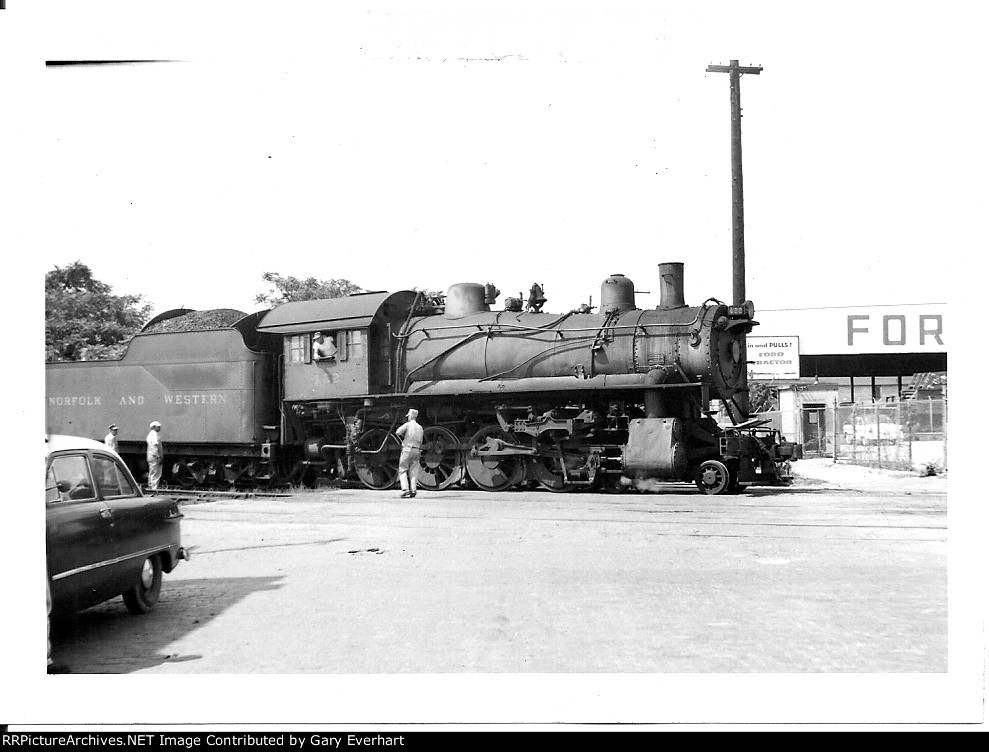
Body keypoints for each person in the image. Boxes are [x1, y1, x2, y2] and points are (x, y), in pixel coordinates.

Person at [395, 408, 424, 498]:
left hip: (407, 449)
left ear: (410, 416)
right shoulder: (420, 427)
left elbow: (398, 432)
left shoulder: (407, 425)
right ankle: (414, 490)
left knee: (403, 469)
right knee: (414, 471)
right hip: (417, 450)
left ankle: (406, 490)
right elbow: (421, 440)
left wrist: (404, 437)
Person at [146, 421, 164, 490]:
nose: (159, 427)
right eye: (158, 426)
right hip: (154, 457)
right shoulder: (154, 435)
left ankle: (151, 486)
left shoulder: (150, 434)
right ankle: (154, 488)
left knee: (152, 472)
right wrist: (158, 456)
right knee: (156, 473)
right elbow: (154, 446)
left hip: (151, 456)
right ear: (153, 427)